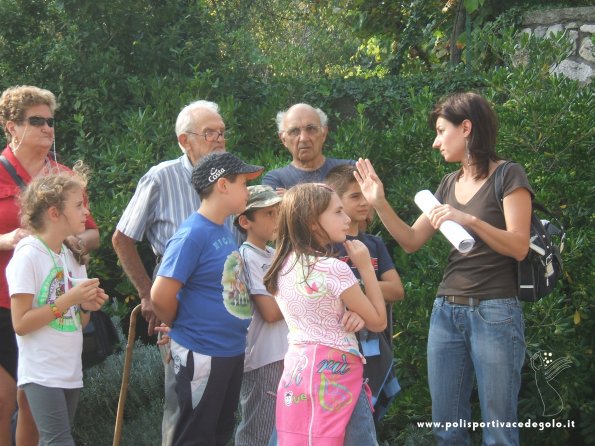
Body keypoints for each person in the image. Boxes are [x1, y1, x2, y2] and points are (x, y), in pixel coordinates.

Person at [355, 92, 532, 446]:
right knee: (447, 428)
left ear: (466, 128)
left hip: (495, 311)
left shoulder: (508, 175)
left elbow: (518, 246)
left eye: (440, 130)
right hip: (446, 311)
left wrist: (468, 220)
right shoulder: (449, 184)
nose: (436, 142)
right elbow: (409, 240)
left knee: (499, 430)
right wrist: (379, 201)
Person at [111, 100, 230, 445]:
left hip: (227, 305)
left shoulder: (230, 179)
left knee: (220, 407)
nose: (219, 139)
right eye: (210, 133)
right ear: (184, 140)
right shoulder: (161, 177)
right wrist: (148, 294)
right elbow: (121, 239)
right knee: (186, 405)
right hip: (179, 304)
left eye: (222, 132)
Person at [0, 85, 99, 446]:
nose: (48, 129)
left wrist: (69, 244)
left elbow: (91, 233)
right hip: (4, 300)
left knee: (29, 402)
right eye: (36, 120)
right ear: (12, 126)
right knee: (4, 397)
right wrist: (6, 240)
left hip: (55, 298)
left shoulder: (64, 178)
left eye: (50, 121)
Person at [151, 152, 264, 446]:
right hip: (202, 354)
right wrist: (184, 327)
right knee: (193, 437)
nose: (248, 190)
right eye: (243, 183)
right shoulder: (192, 233)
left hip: (228, 352)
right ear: (223, 185)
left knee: (217, 435)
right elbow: (160, 294)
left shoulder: (222, 228)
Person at [263, 183, 387, 446]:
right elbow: (379, 321)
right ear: (312, 222)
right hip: (338, 375)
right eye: (338, 212)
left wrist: (355, 314)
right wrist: (365, 267)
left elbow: (322, 311)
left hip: (298, 373)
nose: (347, 219)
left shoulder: (281, 266)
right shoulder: (332, 269)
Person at [6, 169, 108, 446]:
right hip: (41, 371)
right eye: (78, 205)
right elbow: (21, 323)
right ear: (54, 213)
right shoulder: (28, 254)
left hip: (69, 370)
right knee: (59, 441)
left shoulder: (72, 254)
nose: (86, 211)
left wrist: (87, 306)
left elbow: (80, 322)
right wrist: (69, 300)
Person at [325, 164, 404, 423]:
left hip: (375, 348)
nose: (364, 202)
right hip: (337, 351)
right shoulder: (326, 248)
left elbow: (396, 289)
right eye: (354, 196)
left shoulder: (375, 244)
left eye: (365, 195)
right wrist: (367, 286)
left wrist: (352, 287)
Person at [262, 103, 354, 193]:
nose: (303, 138)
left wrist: (290, 198)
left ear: (324, 134)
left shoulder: (349, 169)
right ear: (283, 140)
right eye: (294, 131)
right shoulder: (275, 180)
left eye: (311, 129)